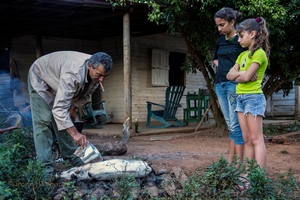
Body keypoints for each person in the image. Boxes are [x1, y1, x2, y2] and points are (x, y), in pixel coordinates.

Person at [28, 51, 113, 171]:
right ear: (89, 66)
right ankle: (45, 168)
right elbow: (59, 109)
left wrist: (73, 109)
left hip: (58, 81)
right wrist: (75, 133)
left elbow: (85, 95)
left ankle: (72, 157)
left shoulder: (95, 74)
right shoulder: (73, 74)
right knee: (43, 121)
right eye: (99, 75)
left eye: (105, 76)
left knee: (64, 121)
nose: (101, 79)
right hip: (40, 78)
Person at [227, 17, 270, 168]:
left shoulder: (259, 54)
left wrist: (239, 75)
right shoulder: (242, 55)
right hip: (240, 98)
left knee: (256, 139)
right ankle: (248, 174)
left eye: (241, 35)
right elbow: (229, 75)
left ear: (252, 34)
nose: (238, 39)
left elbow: (242, 78)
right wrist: (244, 73)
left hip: (253, 98)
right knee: (246, 138)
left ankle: (259, 177)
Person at [213, 7, 245, 164]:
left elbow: (249, 58)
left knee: (235, 125)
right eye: (218, 25)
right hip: (220, 84)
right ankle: (231, 162)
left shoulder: (241, 40)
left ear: (232, 22)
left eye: (222, 25)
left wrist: (238, 71)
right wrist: (220, 67)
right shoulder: (220, 41)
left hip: (234, 84)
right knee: (230, 125)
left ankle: (238, 165)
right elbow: (215, 58)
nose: (219, 29)